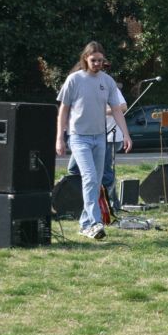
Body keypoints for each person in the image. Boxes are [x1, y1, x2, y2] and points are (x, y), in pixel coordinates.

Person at [56, 42, 132, 240]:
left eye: (100, 60)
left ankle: (85, 224)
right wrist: (60, 138)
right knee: (89, 177)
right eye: (93, 60)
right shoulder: (74, 79)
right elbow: (63, 110)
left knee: (96, 182)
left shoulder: (107, 81)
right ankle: (95, 222)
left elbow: (117, 110)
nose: (97, 64)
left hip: (100, 138)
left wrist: (126, 135)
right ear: (85, 59)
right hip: (78, 137)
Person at [67, 69, 126, 214]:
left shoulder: (107, 84)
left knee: (104, 172)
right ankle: (84, 202)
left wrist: (100, 110)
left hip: (109, 136)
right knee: (74, 169)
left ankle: (111, 204)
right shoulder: (81, 87)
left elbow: (123, 107)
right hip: (85, 135)